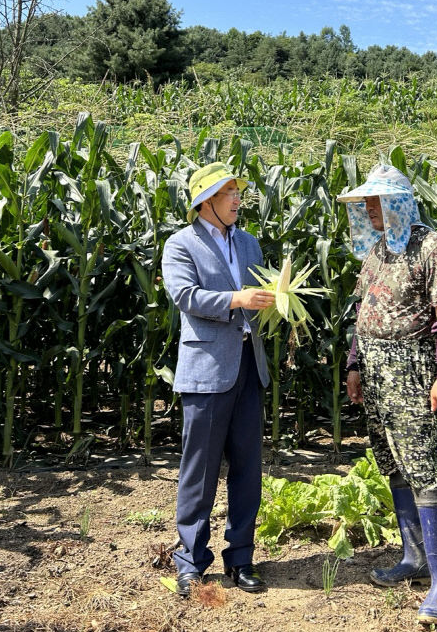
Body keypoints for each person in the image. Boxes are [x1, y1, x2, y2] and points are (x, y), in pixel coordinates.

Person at [338, 163, 437, 625]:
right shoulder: (375, 251)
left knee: (422, 467)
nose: (368, 209)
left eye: (376, 201)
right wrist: (354, 365)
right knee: (391, 462)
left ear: (398, 203)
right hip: (375, 370)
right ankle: (413, 558)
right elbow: (363, 310)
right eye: (364, 202)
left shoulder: (431, 247)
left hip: (411, 370)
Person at [162, 161, 275, 597]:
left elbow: (258, 295)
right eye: (229, 193)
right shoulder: (180, 245)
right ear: (205, 201)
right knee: (200, 470)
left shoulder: (248, 243)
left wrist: (272, 302)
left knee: (248, 470)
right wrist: (236, 298)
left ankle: (242, 559)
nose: (237, 200)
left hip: (249, 366)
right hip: (206, 371)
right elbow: (186, 296)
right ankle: (191, 561)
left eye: (238, 192)